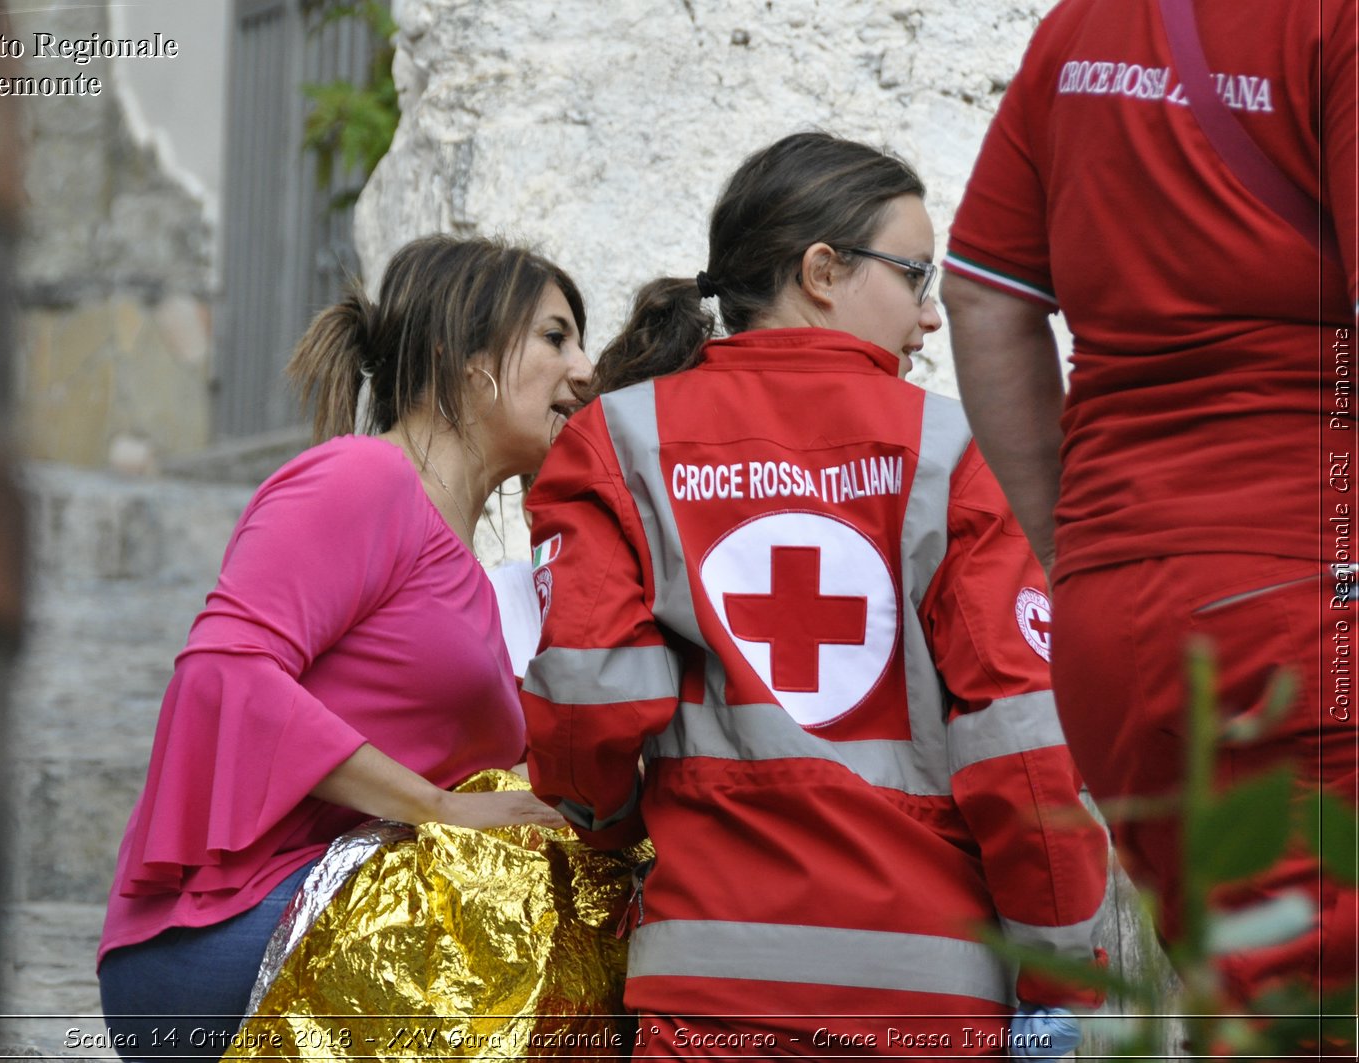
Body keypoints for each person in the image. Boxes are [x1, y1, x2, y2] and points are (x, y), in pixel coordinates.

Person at [520, 131, 1111, 1059]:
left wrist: (615, 822)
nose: (929, 318)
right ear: (823, 270)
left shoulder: (615, 439)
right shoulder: (953, 452)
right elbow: (1021, 745)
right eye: (915, 277)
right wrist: (1061, 970)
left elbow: (589, 705)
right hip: (928, 997)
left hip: (708, 988)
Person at [942, 0, 1356, 1006]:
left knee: (1256, 1004)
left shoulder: (1079, 28)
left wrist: (1077, 546)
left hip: (1113, 621)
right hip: (1305, 594)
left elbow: (982, 297)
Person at [97, 235, 589, 1059]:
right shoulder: (363, 480)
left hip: (344, 915)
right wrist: (436, 807)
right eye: (555, 337)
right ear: (464, 356)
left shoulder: (477, 575)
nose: (584, 370)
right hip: (221, 932)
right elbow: (227, 671)